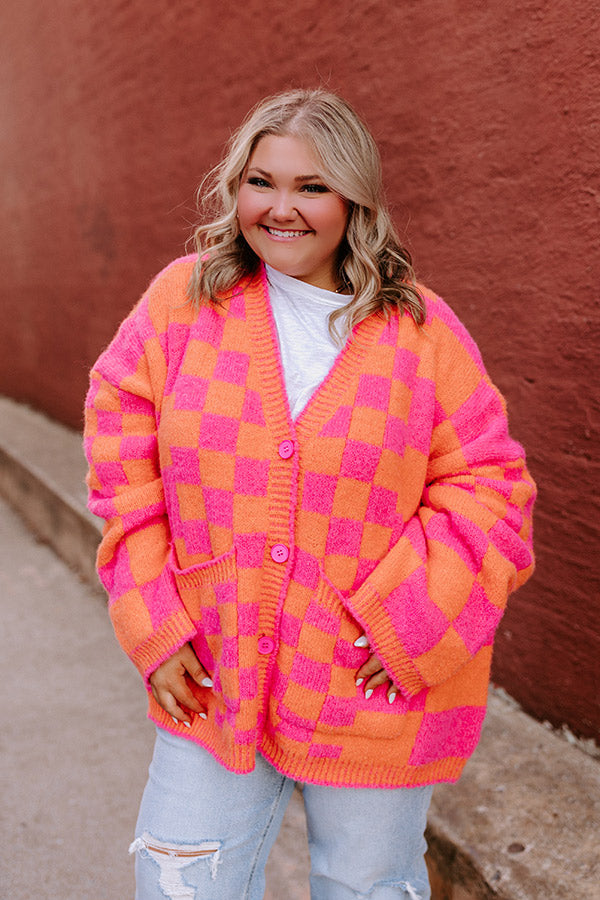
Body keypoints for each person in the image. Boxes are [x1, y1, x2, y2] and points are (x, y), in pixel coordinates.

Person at [84, 89, 536, 900]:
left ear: (354, 198)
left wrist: (412, 623)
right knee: (181, 881)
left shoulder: (421, 333)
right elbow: (122, 459)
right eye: (263, 182)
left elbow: (493, 486)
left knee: (367, 890)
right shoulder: (183, 306)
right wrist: (151, 616)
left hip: (371, 689)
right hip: (213, 669)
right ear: (236, 189)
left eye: (312, 187)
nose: (281, 210)